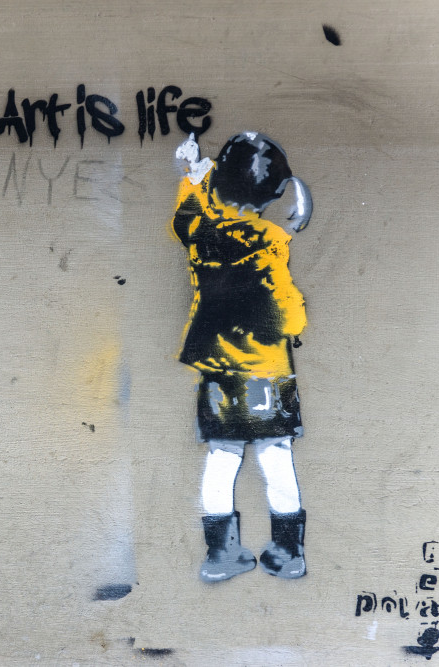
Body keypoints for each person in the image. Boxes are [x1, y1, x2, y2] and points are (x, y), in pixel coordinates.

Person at [170, 132, 312, 582]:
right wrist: (297, 317)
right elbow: (286, 314)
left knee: (222, 456)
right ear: (272, 194)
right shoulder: (271, 240)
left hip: (218, 373)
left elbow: (184, 218)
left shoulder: (201, 232)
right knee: (276, 456)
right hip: (266, 372)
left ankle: (221, 554)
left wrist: (194, 175)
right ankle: (287, 552)